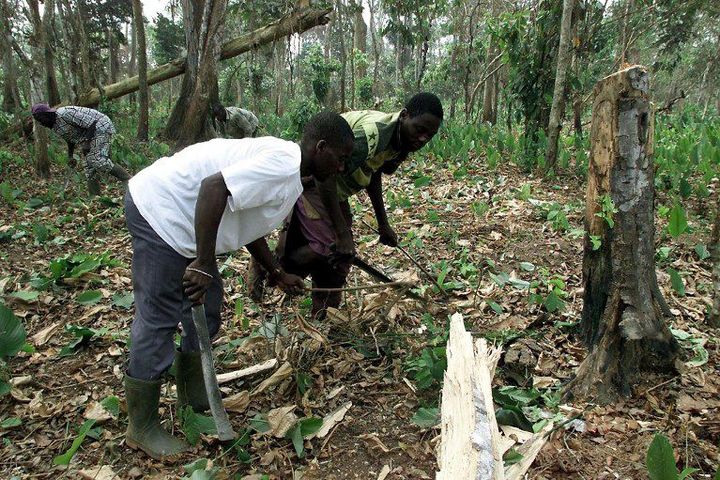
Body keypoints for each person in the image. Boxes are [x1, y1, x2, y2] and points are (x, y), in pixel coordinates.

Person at [122, 111, 354, 460]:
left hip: (193, 225)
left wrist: (275, 272)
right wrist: (202, 263)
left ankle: (194, 398)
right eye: (340, 158)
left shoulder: (293, 176)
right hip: (161, 212)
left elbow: (248, 220)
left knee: (208, 308)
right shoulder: (283, 166)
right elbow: (213, 188)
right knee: (160, 318)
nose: (340, 169)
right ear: (321, 148)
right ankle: (141, 427)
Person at [249, 92, 443, 319]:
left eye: (430, 135)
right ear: (405, 116)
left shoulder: (399, 141)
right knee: (330, 246)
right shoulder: (373, 135)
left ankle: (323, 317)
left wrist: (383, 224)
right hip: (316, 181)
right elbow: (324, 174)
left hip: (335, 191)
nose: (423, 139)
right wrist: (342, 233)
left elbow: (373, 172)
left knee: (340, 259)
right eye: (420, 129)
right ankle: (269, 265)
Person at [30, 104, 131, 195]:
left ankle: (128, 179)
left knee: (97, 160)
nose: (41, 123)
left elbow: (92, 123)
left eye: (40, 119)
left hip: (101, 126)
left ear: (47, 114)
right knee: (88, 168)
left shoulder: (64, 113)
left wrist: (87, 142)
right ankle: (95, 197)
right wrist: (70, 157)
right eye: (38, 121)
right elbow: (70, 139)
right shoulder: (55, 126)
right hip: (89, 134)